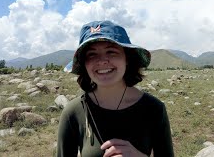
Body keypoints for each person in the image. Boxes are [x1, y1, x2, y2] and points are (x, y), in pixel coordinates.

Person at [57, 20, 174, 157]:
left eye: (111, 51)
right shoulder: (73, 112)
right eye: (92, 54)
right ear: (84, 64)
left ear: (127, 59)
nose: (102, 61)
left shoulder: (154, 109)